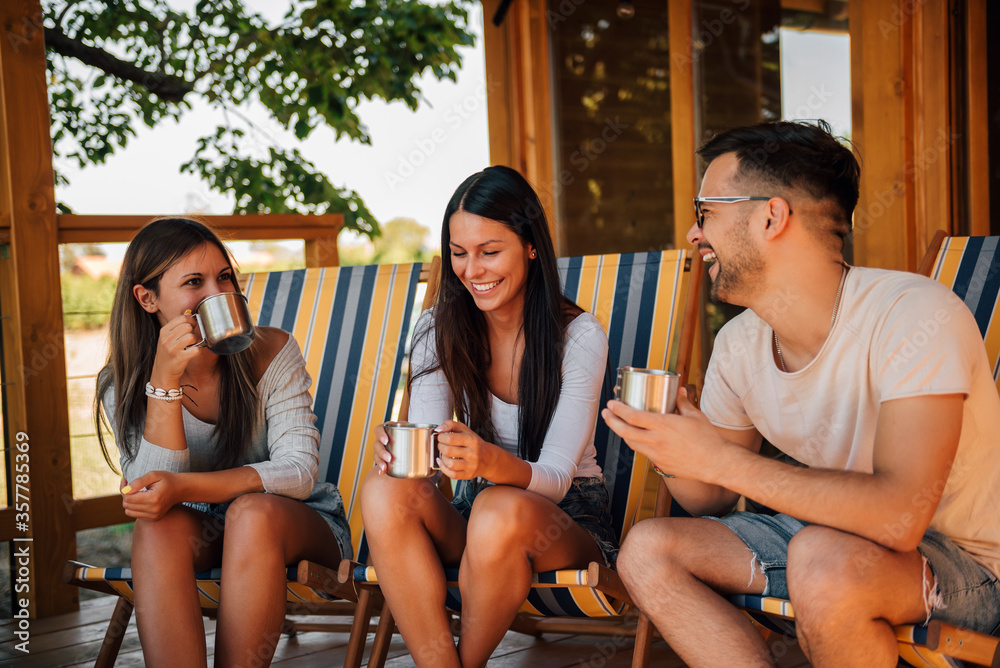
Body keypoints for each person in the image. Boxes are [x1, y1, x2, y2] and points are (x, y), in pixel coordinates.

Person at [603, 121, 1000, 667]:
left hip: (969, 568)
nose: (695, 235)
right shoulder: (740, 342)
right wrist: (673, 447)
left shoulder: (914, 315)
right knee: (648, 550)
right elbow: (709, 497)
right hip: (831, 539)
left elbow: (900, 518)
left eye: (706, 213)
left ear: (771, 216)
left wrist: (718, 459)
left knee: (819, 558)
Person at [359, 165, 616, 668]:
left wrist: (486, 461)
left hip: (565, 521)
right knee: (382, 487)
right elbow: (428, 461)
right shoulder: (438, 326)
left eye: (490, 251)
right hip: (472, 514)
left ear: (530, 246)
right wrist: (407, 455)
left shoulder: (579, 336)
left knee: (499, 507)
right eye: (459, 253)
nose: (472, 270)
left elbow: (558, 478)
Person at [95, 217, 352, 668]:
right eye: (195, 282)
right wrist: (164, 382)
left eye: (225, 276)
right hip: (203, 533)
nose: (219, 292)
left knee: (251, 513)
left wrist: (187, 489)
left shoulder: (273, 352)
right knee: (157, 528)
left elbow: (299, 471)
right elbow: (152, 492)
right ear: (147, 298)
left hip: (299, 526)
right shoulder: (124, 382)